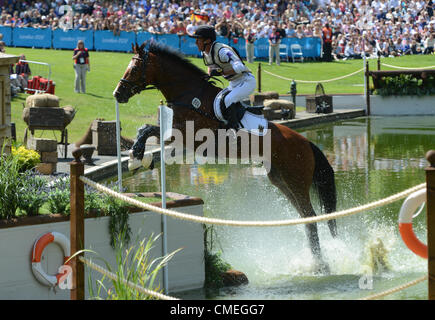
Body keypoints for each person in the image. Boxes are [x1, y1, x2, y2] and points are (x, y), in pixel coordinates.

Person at [190, 25, 256, 130]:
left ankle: (235, 129)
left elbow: (240, 66)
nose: (196, 43)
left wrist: (221, 72)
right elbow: (211, 68)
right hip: (233, 83)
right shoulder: (205, 53)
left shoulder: (222, 51)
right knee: (217, 103)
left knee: (228, 100)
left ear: (207, 40)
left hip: (246, 81)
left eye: (198, 40)